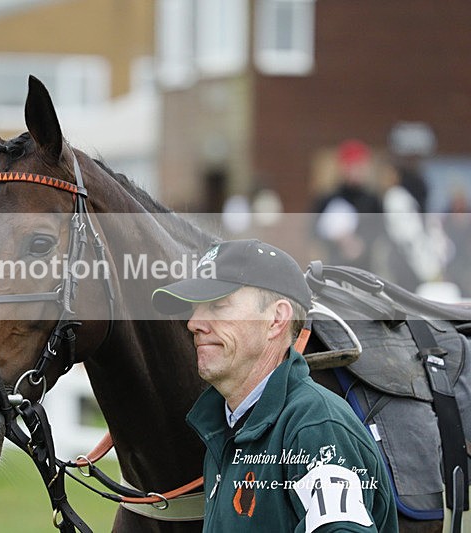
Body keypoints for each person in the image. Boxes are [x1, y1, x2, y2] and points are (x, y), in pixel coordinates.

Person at [151, 239, 397, 532]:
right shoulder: (228, 426)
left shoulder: (316, 428)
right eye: (195, 308)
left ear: (276, 319)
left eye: (218, 305)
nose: (194, 323)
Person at [313, 140, 384, 271]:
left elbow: (380, 231)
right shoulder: (328, 199)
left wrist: (361, 244)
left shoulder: (373, 200)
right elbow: (313, 231)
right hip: (335, 265)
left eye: (359, 167)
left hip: (365, 268)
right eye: (352, 166)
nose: (355, 171)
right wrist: (338, 239)